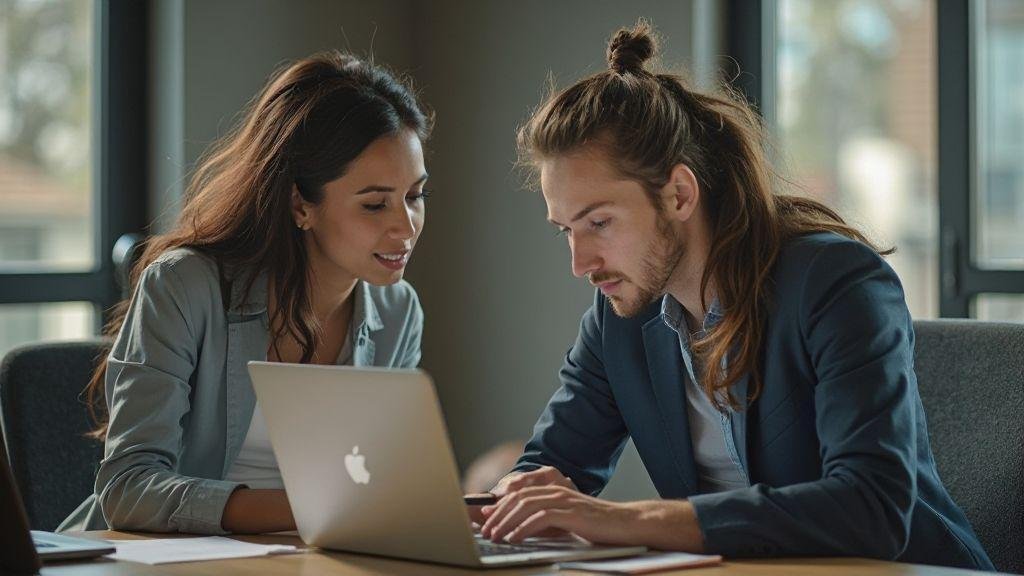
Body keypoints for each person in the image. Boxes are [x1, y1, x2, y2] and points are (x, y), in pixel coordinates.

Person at [475, 21, 993, 571]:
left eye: (599, 222)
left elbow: (871, 507)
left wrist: (624, 520)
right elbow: (551, 465)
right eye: (566, 230)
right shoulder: (618, 321)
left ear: (678, 193)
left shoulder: (834, 283)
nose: (580, 263)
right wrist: (515, 494)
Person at [59, 51, 432, 535]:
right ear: (301, 203)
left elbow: (375, 484)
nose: (405, 227)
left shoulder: (398, 312)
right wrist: (313, 511)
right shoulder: (183, 286)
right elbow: (128, 490)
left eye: (415, 196)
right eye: (375, 204)